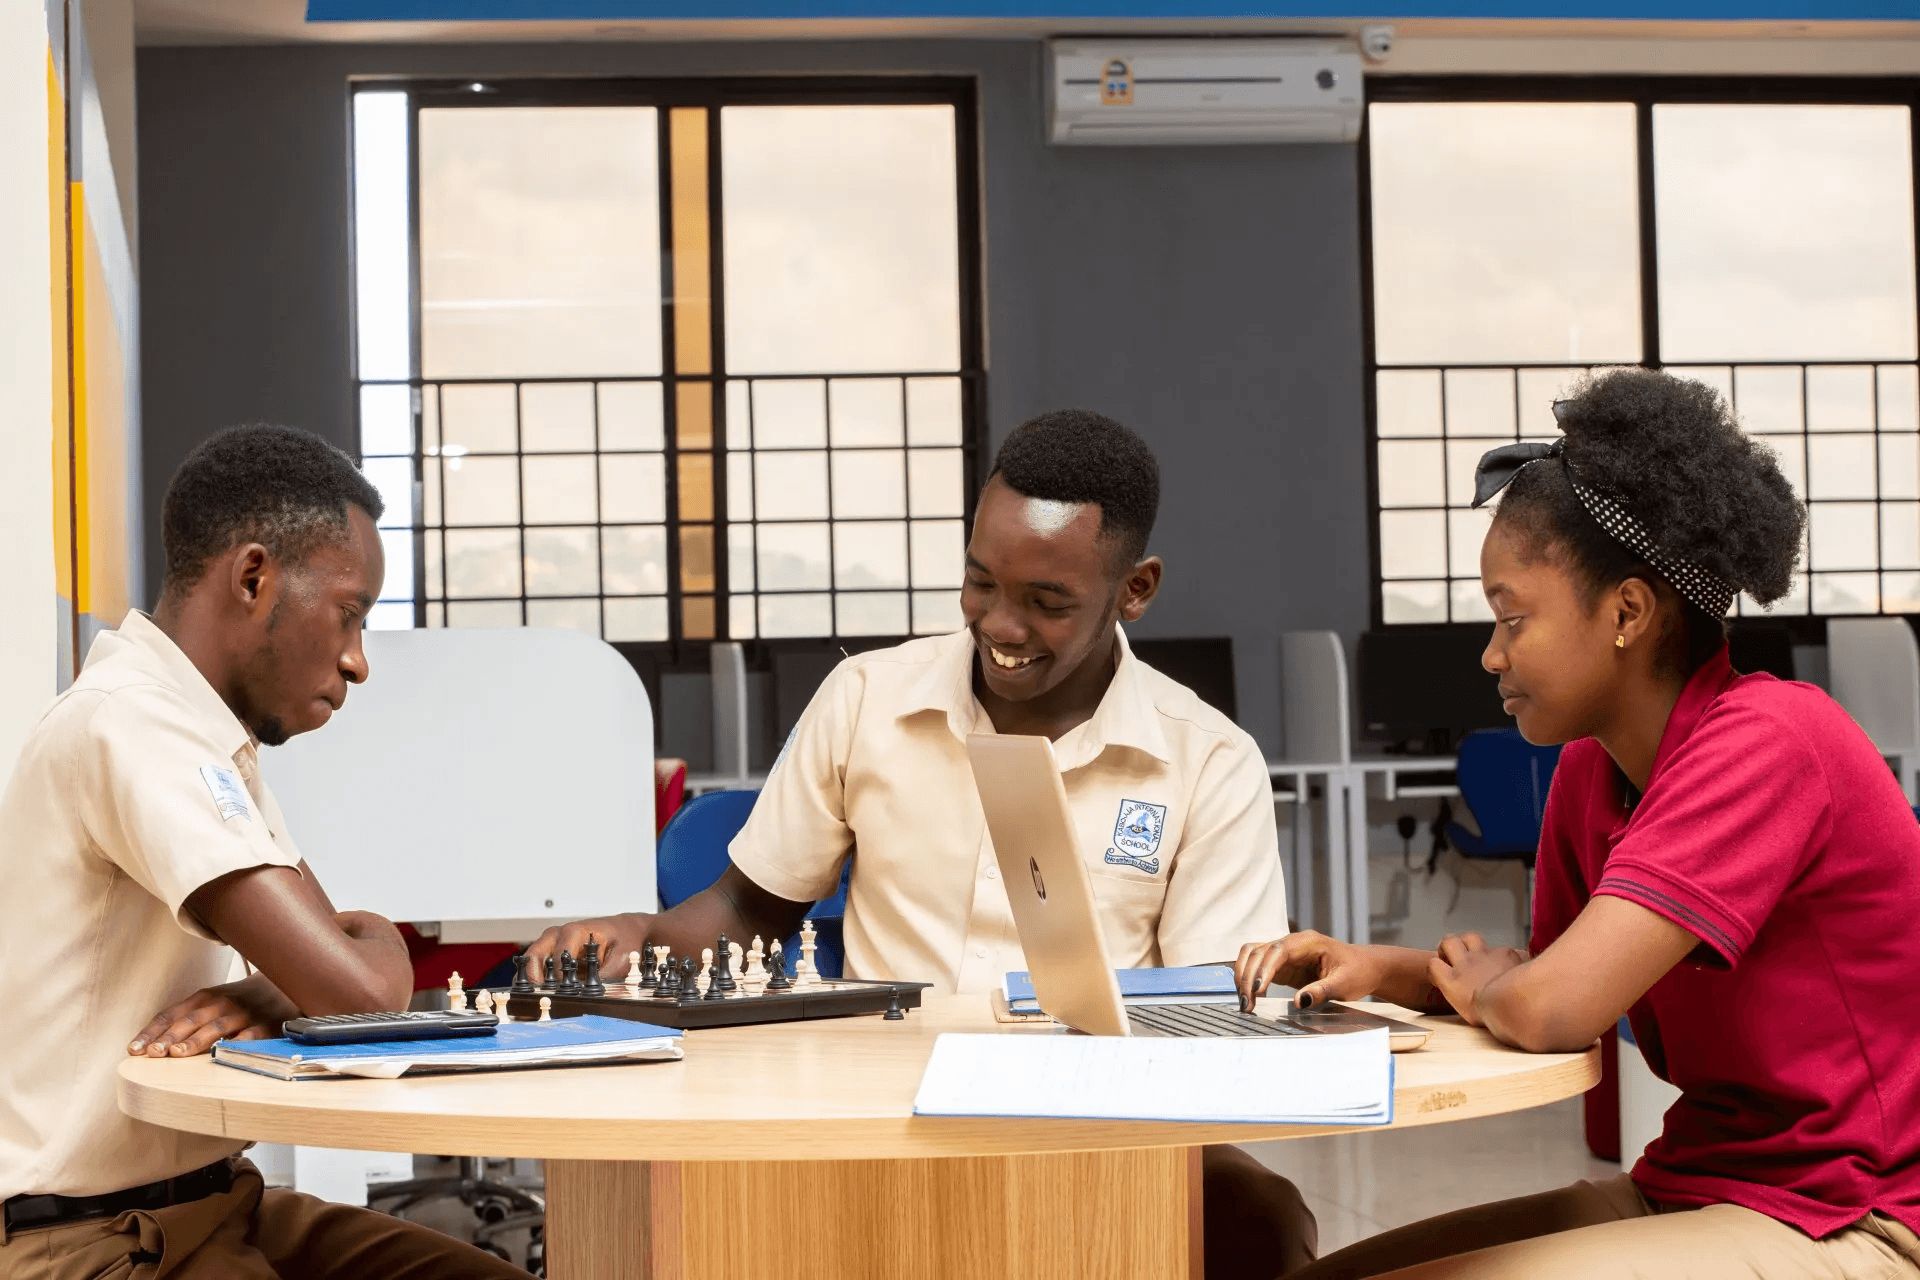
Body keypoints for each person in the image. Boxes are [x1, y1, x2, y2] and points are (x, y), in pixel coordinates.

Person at [528, 409, 1310, 1277]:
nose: (1001, 626)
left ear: (1136, 589)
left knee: (1261, 1219)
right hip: (871, 1108)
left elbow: (1207, 1009)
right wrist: (640, 933)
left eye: (1048, 603)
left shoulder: (1208, 759)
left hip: (1100, 1119)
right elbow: (752, 908)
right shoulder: (866, 697)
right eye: (981, 583)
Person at [1235, 368, 1920, 1279]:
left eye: (1511, 618)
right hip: (1700, 1187)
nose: (1490, 654)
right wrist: (1390, 972)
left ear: (1628, 612)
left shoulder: (1772, 741)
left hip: (1855, 1216)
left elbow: (1548, 1007)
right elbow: (1542, 988)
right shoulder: (1592, 770)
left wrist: (1504, 992)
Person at [0, 425, 525, 1278]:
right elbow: (359, 991)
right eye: (350, 614)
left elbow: (327, 971)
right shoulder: (133, 725)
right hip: (93, 1242)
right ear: (253, 577)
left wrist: (289, 988)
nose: (358, 662)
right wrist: (358, 956)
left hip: (215, 1202)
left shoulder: (207, 740)